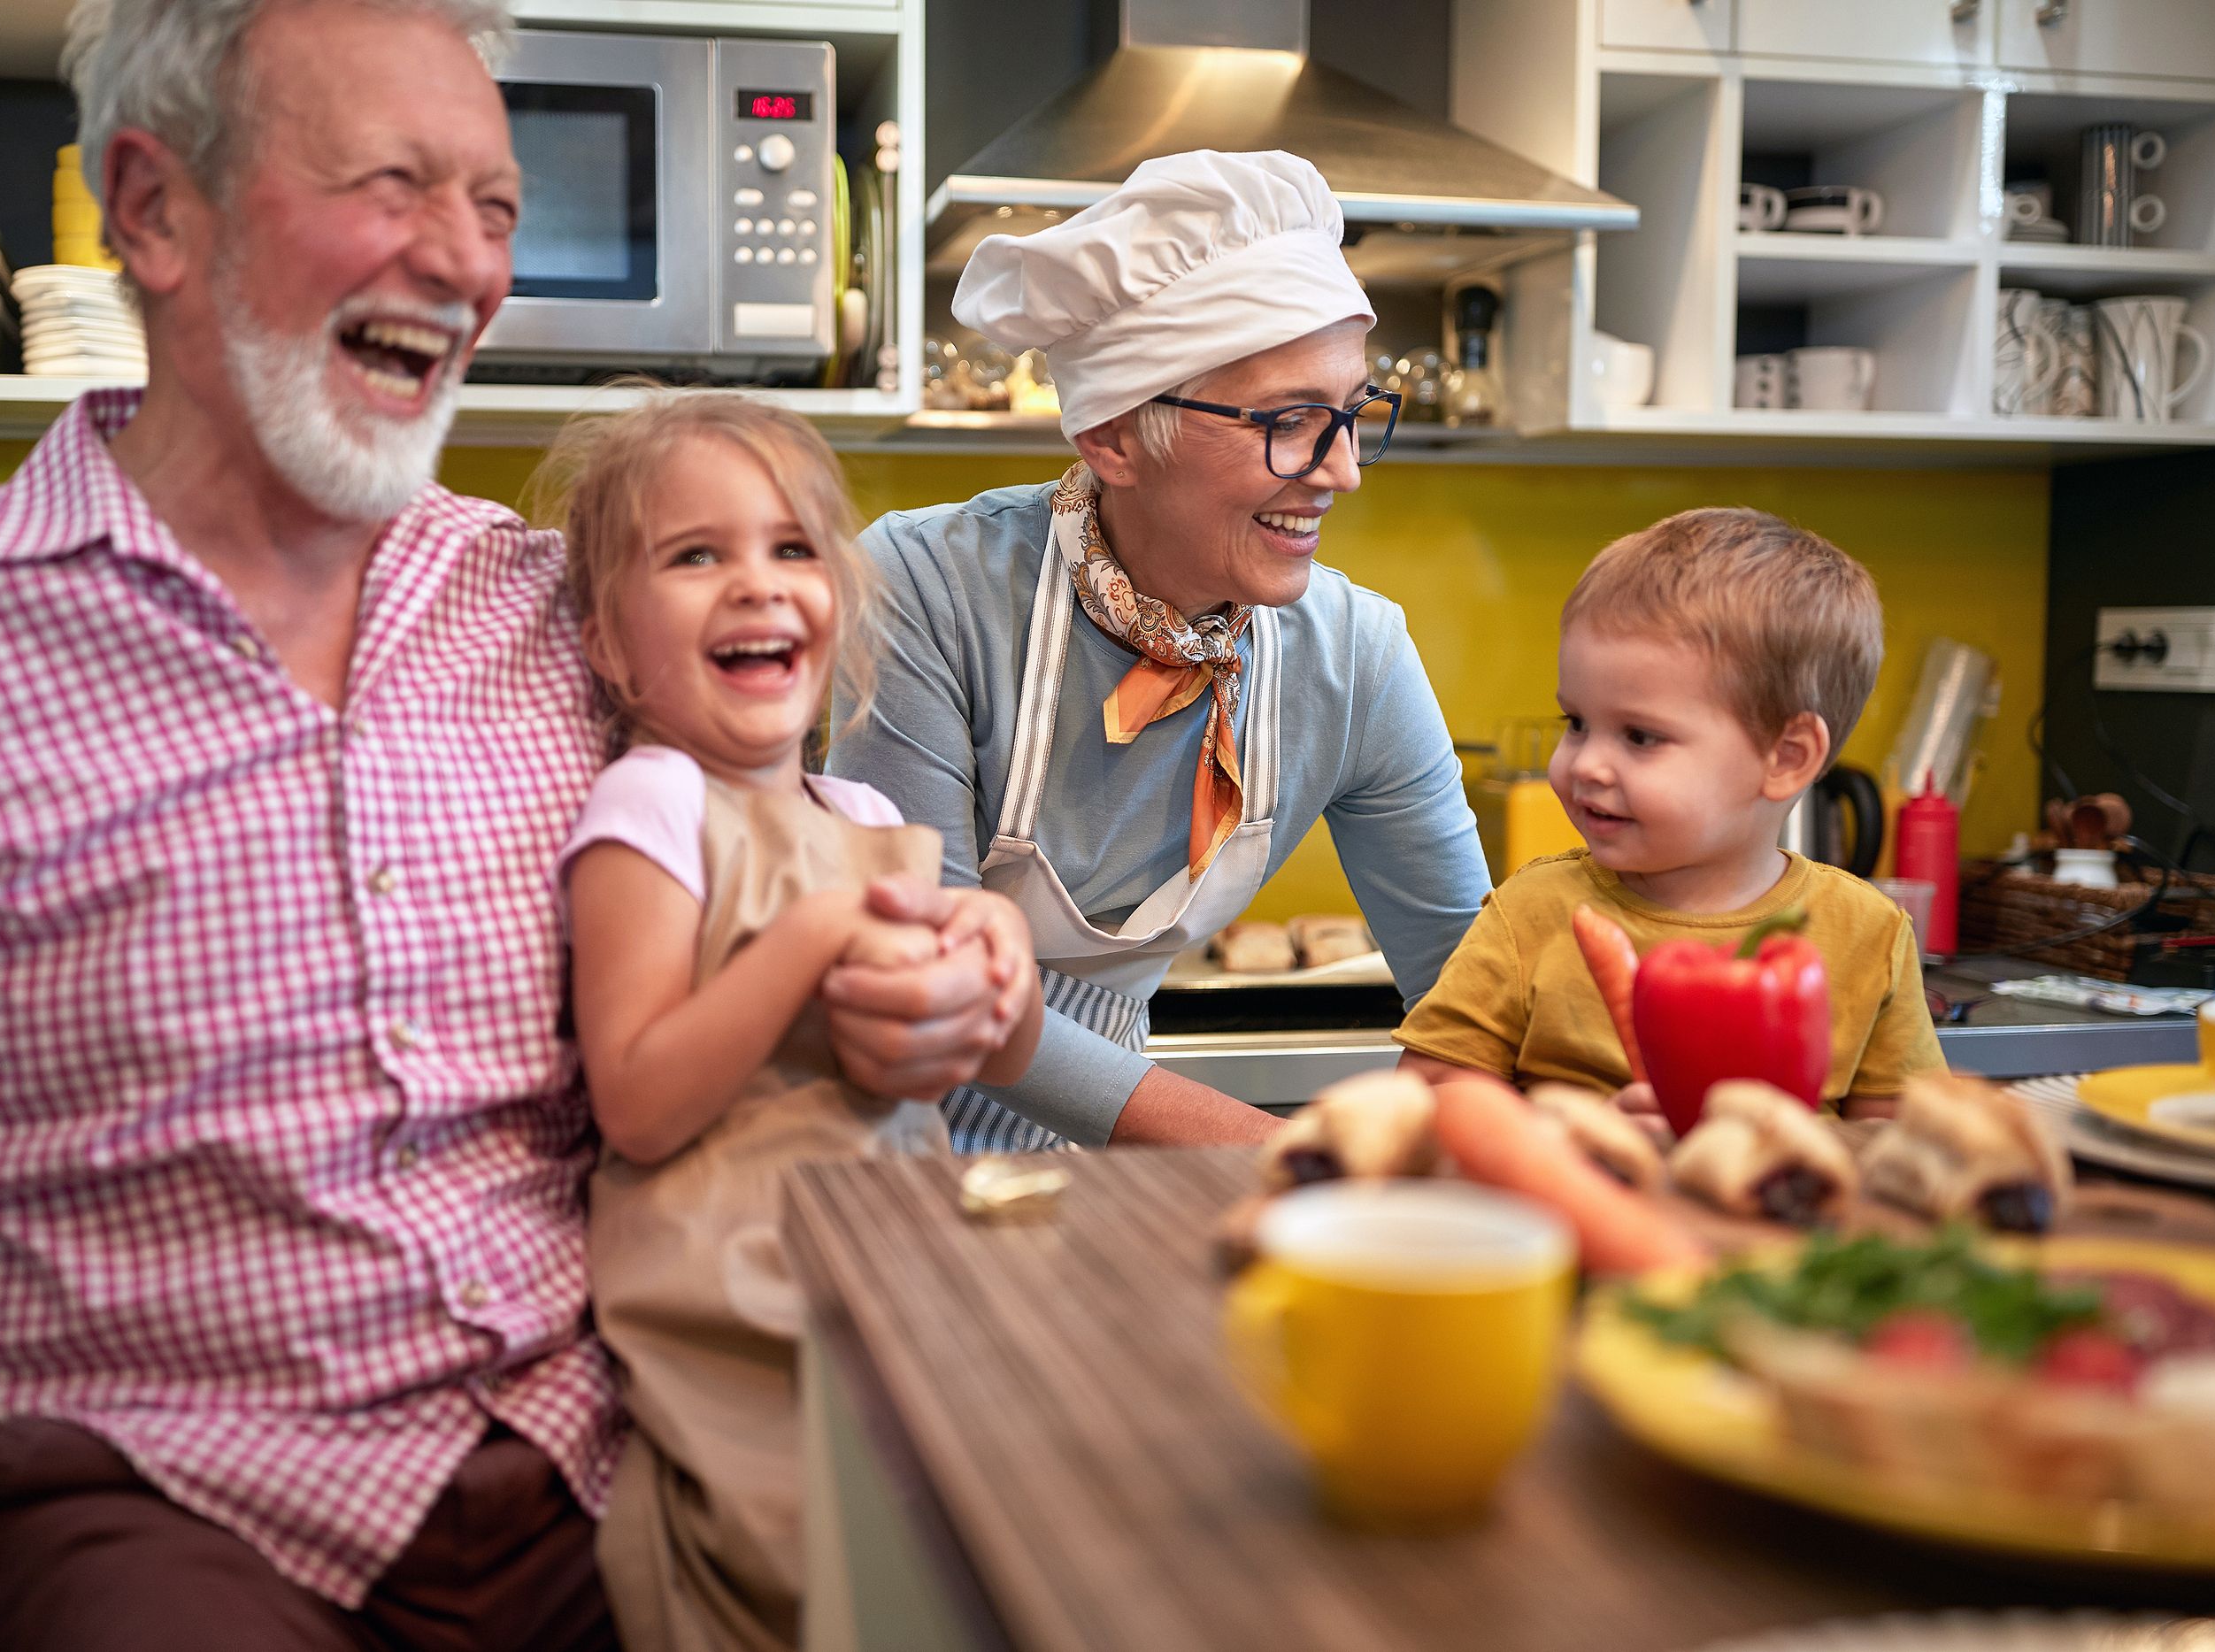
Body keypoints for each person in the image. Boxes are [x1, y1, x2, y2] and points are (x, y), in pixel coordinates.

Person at [0, 3, 1021, 1647]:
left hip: (602, 1466)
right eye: (392, 183)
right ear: (152, 209)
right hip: (145, 1511)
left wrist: (965, 970)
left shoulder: (561, 609)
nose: (464, 262)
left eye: (492, 205)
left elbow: (783, 874)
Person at [827, 150, 1495, 1154]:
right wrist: (1282, 1157)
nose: (1343, 472)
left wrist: (1428, 1157)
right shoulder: (926, 590)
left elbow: (1471, 992)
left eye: (1353, 416)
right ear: (1112, 437)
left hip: (1106, 1176)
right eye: (1292, 423)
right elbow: (930, 980)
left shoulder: (1354, 656)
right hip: (874, 1160)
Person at [544, 393, 1038, 1652]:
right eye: (695, 554)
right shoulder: (650, 803)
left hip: (889, 1288)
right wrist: (810, 938)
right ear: (606, 645)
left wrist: (995, 951)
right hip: (740, 1319)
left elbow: (970, 1038)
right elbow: (643, 1102)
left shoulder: (860, 804)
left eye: (791, 547)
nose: (755, 584)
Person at [1395, 508, 1946, 1118]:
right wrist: (1580, 1136)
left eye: (1639, 736)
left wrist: (1759, 1148)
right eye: (1576, 723)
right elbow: (1425, 1107)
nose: (1586, 765)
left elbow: (1905, 1153)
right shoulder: (1530, 915)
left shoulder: (1869, 934)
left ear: (1787, 756)